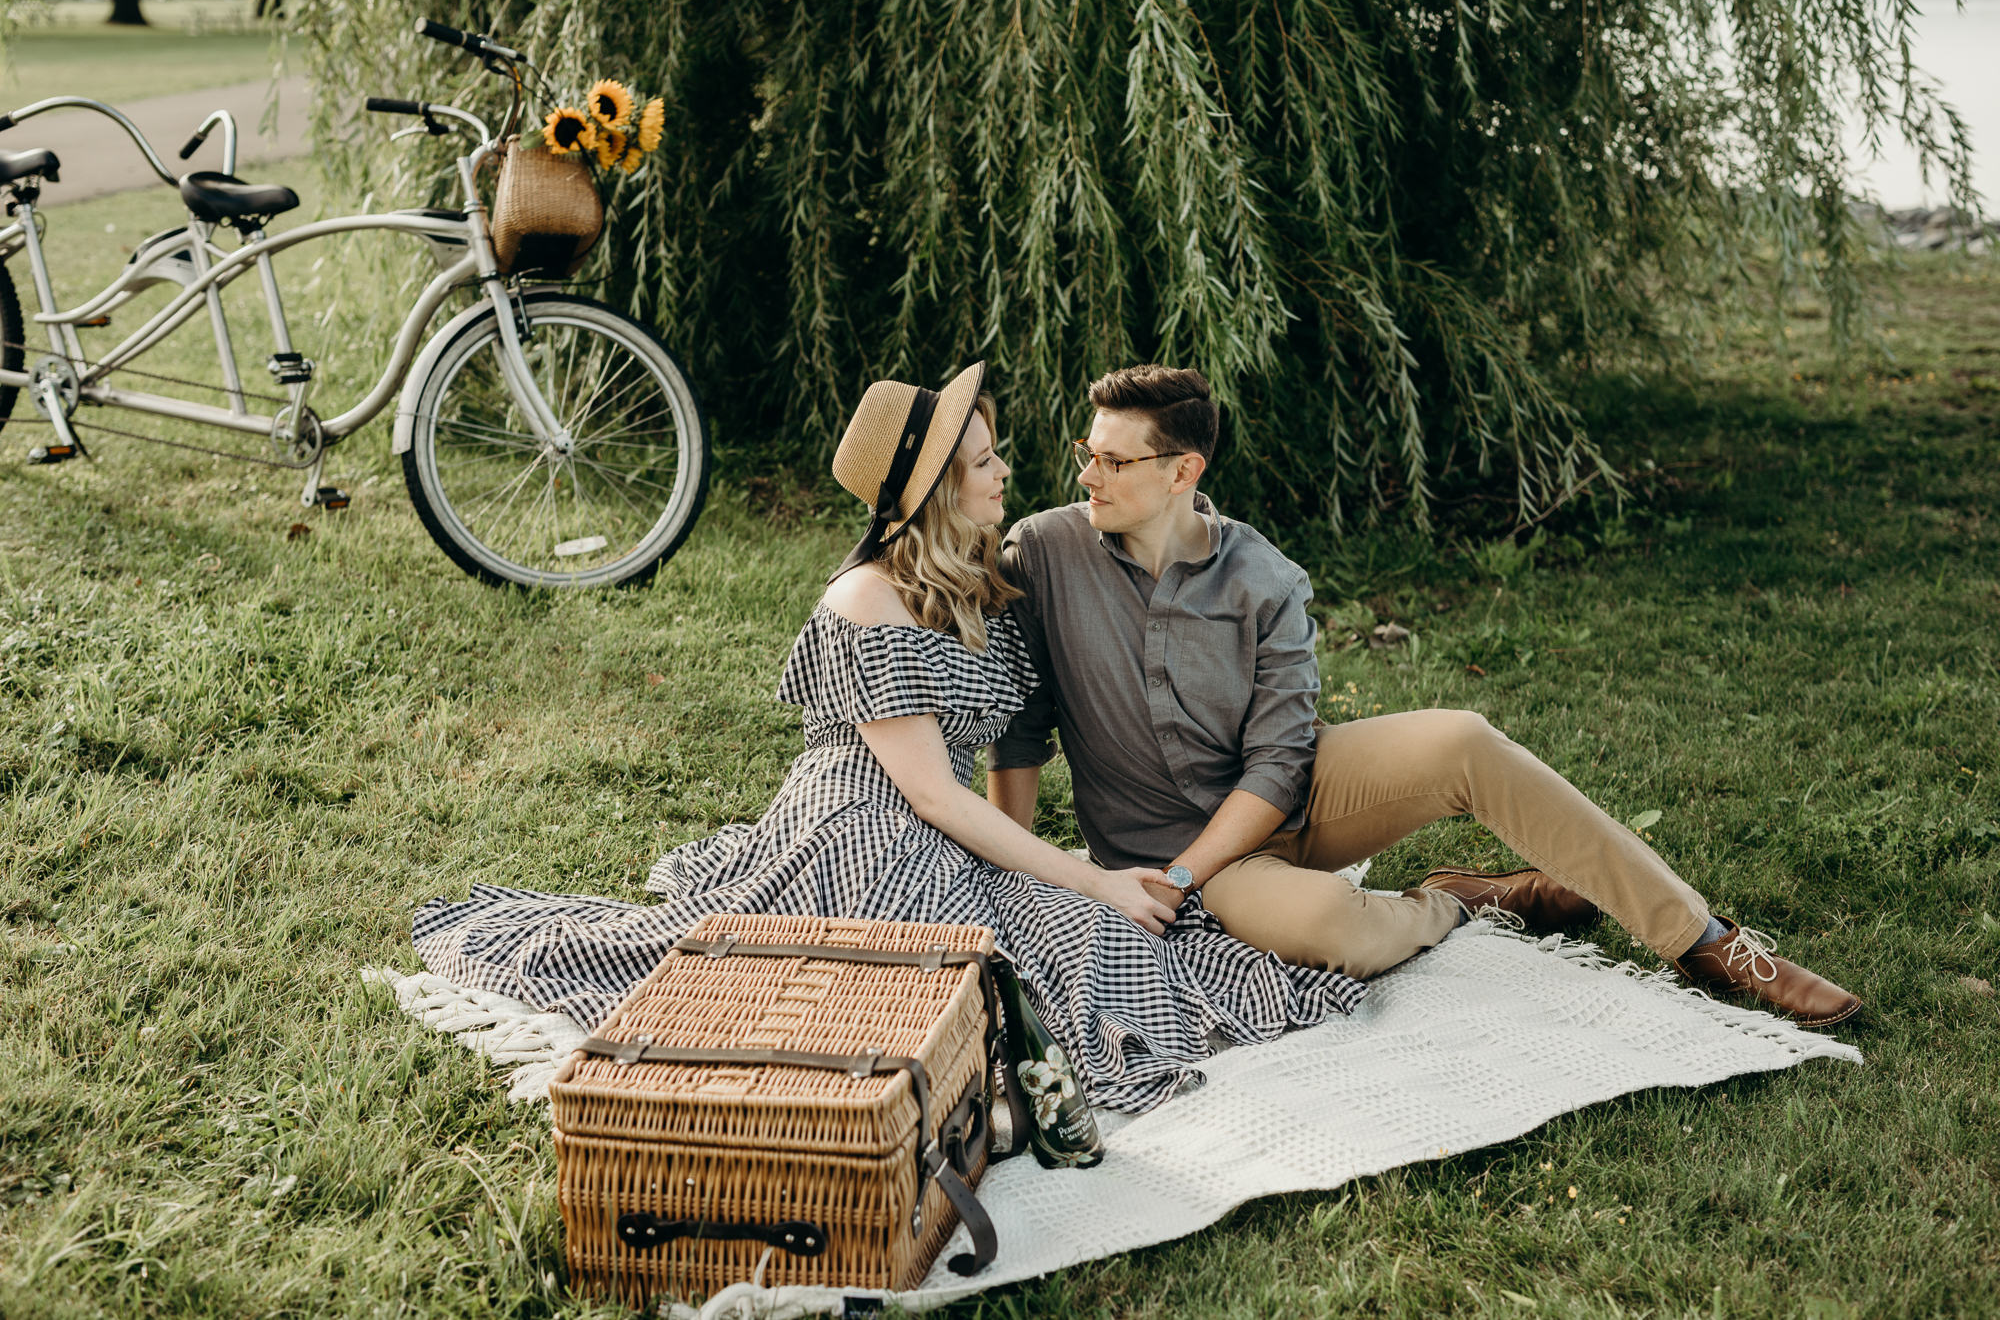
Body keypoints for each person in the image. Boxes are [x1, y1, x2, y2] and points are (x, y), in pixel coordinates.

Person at [411, 362, 1366, 1113]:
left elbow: (1011, 744)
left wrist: (1058, 873)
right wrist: (1084, 873)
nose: (1007, 471)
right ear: (939, 487)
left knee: (1089, 933)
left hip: (937, 824)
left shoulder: (974, 573)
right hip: (865, 828)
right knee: (1027, 946)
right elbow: (932, 794)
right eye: (985, 461)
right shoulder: (868, 597)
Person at [986, 364, 1861, 1028]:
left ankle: (1708, 941)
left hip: (1283, 799)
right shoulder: (1045, 551)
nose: (1088, 475)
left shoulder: (1262, 577)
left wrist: (1179, 876)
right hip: (1192, 857)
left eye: (1112, 458)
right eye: (1084, 453)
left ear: (1183, 472)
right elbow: (1020, 729)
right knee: (1337, 924)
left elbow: (1284, 758)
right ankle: (1456, 900)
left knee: (1465, 737)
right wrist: (1021, 880)